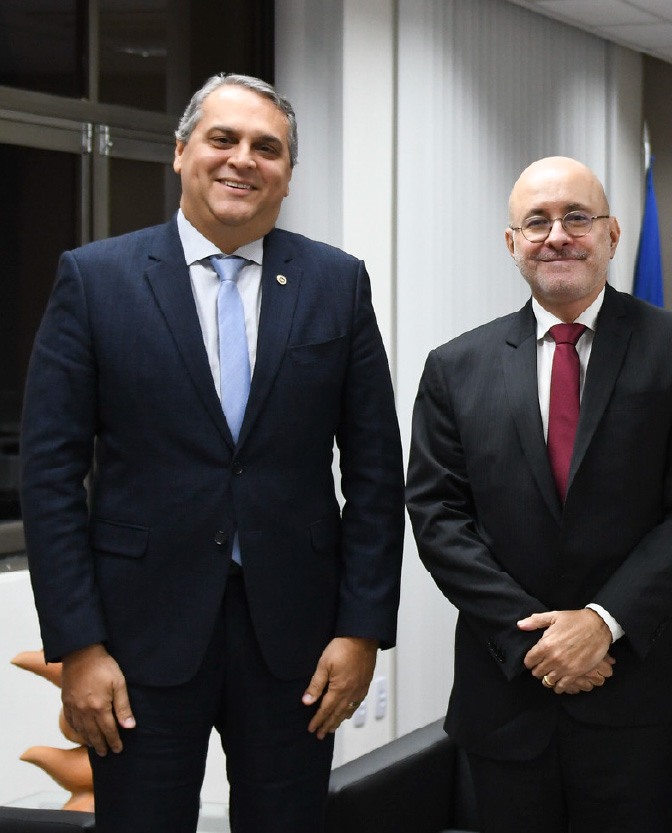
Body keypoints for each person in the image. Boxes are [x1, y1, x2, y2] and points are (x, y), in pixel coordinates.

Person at [21, 73, 403, 832]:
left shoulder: (336, 282)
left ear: (288, 173)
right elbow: (50, 474)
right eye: (222, 139)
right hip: (136, 640)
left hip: (296, 642)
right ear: (180, 151)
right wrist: (78, 645)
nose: (243, 160)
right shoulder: (95, 279)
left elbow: (375, 473)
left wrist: (361, 630)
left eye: (267, 147)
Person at [405, 156, 672, 833]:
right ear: (512, 242)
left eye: (576, 217)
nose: (557, 235)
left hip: (634, 696)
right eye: (537, 222)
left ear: (611, 233)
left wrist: (602, 622)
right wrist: (533, 638)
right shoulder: (454, 367)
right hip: (506, 696)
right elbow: (439, 517)